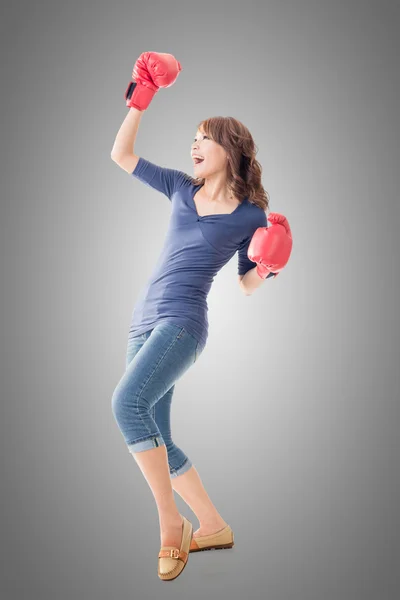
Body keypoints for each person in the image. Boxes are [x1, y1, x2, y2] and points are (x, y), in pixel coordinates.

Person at [110, 52, 291, 581]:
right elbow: (121, 153)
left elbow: (244, 283)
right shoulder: (178, 189)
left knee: (125, 406)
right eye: (191, 137)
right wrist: (142, 96)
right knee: (157, 434)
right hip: (142, 321)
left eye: (203, 138)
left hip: (183, 323)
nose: (193, 145)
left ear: (229, 148)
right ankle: (212, 525)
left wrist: (270, 266)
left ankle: (172, 525)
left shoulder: (252, 215)